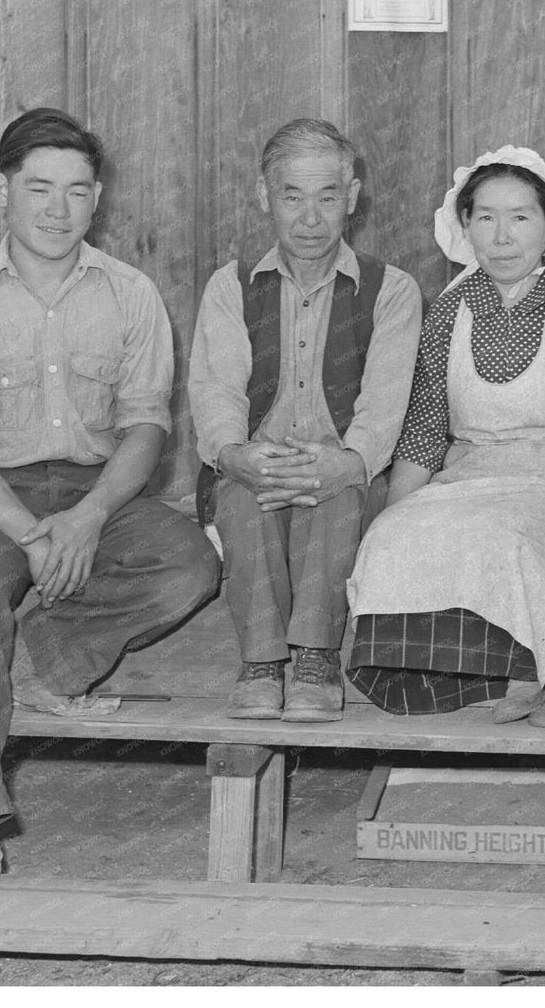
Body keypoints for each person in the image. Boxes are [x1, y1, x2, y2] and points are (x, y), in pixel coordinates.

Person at [0, 107, 221, 911]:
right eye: (38, 187)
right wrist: (28, 532)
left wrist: (85, 518)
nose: (57, 208)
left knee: (190, 564)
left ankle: (44, 658)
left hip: (99, 491)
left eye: (77, 191)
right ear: (3, 191)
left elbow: (147, 425)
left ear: (98, 199)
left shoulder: (130, 293)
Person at [345, 146, 545, 727]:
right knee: (394, 537)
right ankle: (514, 667)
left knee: (495, 537)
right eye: (486, 218)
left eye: (520, 217)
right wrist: (392, 517)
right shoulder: (447, 315)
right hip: (467, 476)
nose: (502, 236)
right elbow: (424, 432)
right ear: (465, 227)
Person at [188, 118, 422, 722]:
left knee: (338, 497)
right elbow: (216, 390)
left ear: (352, 197)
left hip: (346, 466)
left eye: (326, 196)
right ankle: (262, 664)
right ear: (265, 196)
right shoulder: (232, 285)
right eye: (292, 196)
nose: (310, 218)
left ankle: (316, 660)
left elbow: (384, 402)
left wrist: (348, 461)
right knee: (241, 501)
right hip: (253, 464)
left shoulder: (390, 290)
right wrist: (234, 454)